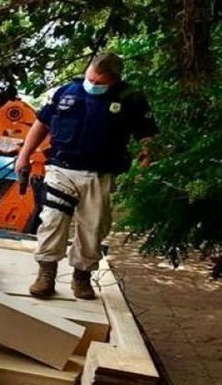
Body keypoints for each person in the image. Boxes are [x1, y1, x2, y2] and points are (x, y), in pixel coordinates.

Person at [15, 52, 158, 300]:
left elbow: (146, 133)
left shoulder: (131, 98)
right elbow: (41, 124)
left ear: (114, 80)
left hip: (101, 174)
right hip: (62, 169)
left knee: (93, 228)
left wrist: (147, 154)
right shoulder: (65, 92)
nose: (93, 85)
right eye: (90, 78)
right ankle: (46, 273)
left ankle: (82, 276)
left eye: (100, 83)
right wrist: (24, 155)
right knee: (52, 220)